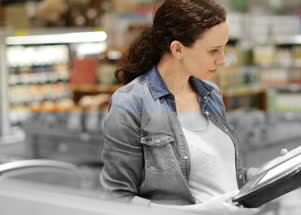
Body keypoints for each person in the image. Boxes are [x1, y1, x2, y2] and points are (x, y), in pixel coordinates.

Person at [100, 0, 260, 214]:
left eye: (224, 49)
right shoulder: (131, 103)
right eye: (213, 51)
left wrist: (261, 177)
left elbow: (216, 176)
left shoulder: (210, 93)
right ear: (177, 49)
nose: (223, 60)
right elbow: (116, 198)